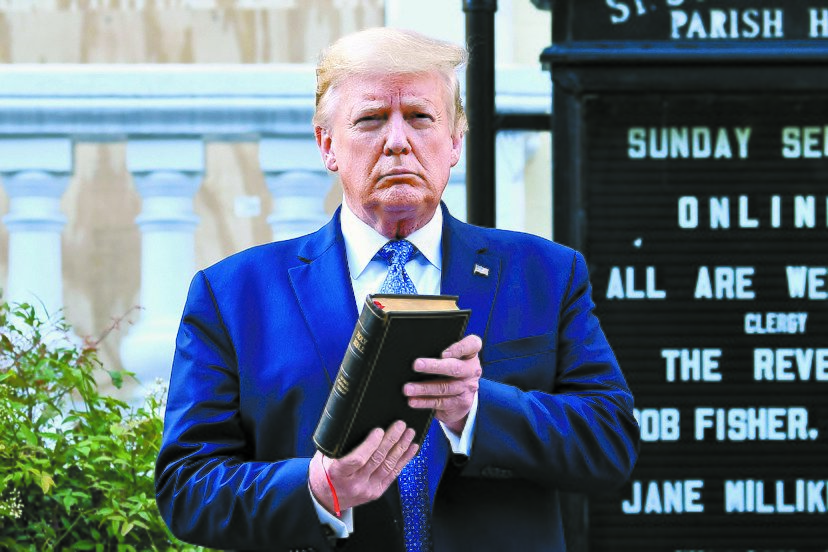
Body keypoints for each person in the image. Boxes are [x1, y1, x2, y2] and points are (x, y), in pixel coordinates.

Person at [155, 27, 640, 552]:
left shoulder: (546, 274)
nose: (397, 141)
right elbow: (186, 489)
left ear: (455, 142)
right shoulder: (233, 296)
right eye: (370, 119)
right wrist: (316, 489)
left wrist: (477, 410)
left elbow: (610, 442)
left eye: (419, 116)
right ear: (327, 145)